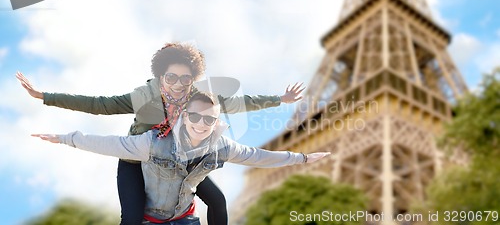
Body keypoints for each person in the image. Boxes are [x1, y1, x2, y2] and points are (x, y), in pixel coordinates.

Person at [17, 42, 305, 225]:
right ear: (160, 77)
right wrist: (45, 96)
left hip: (180, 160)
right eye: (171, 77)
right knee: (131, 218)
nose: (178, 84)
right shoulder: (144, 96)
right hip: (140, 157)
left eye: (186, 78)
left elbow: (242, 103)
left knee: (217, 201)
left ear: (193, 78)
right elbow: (98, 105)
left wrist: (280, 100)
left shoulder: (200, 98)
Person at [32, 92, 331, 224]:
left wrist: (302, 157)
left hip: (184, 219)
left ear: (216, 122)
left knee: (218, 200)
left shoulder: (221, 146)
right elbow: (110, 143)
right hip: (150, 217)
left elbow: (258, 156)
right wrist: (65, 138)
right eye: (196, 117)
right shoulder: (152, 142)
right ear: (184, 116)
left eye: (209, 120)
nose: (202, 124)